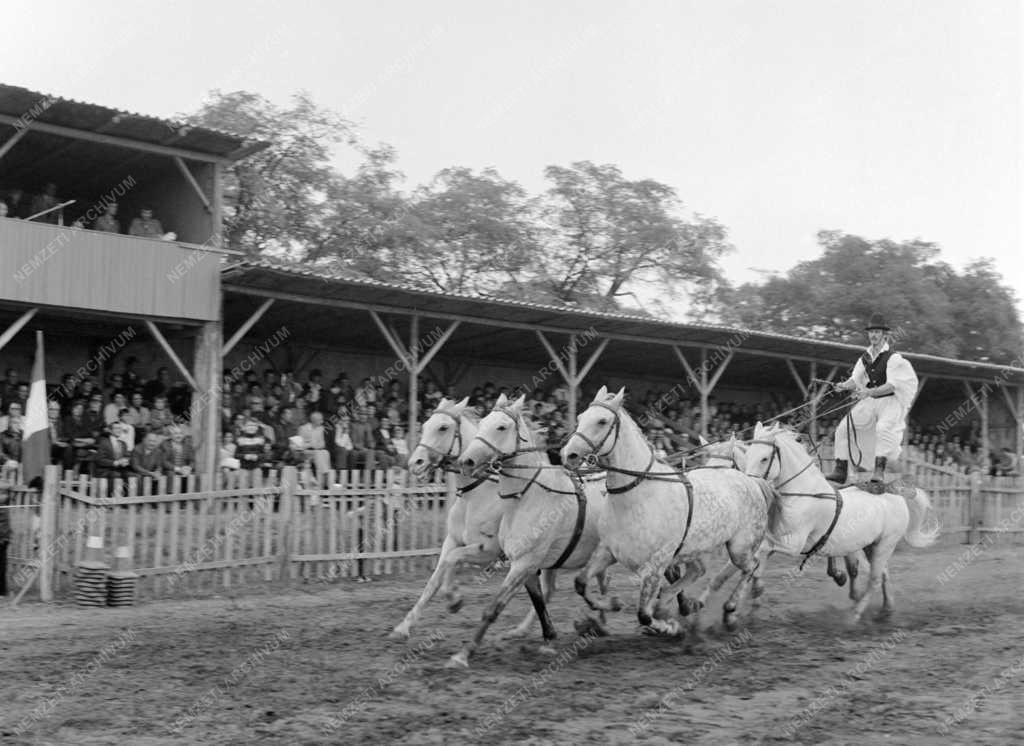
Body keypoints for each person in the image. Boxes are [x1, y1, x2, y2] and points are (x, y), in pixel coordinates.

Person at [825, 313, 918, 493]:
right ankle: (841, 470)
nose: (873, 335)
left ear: (884, 335)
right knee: (843, 429)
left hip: (890, 402)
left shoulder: (893, 358)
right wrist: (842, 386)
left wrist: (868, 391)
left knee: (883, 429)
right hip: (872, 401)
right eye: (871, 332)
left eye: (877, 332)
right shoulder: (865, 358)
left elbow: (892, 385)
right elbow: (855, 379)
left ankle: (878, 473)